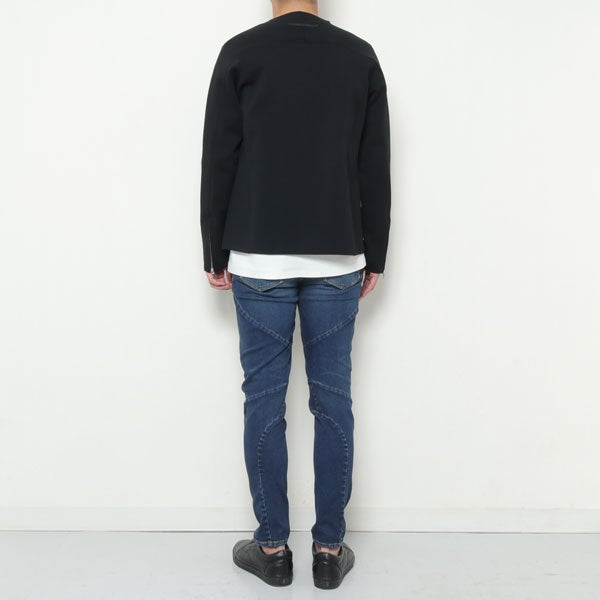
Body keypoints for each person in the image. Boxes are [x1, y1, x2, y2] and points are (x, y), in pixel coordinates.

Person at [199, 0, 391, 589]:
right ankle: (329, 552)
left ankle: (273, 549)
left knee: (264, 401)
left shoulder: (241, 53)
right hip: (338, 255)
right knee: (333, 403)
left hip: (258, 256)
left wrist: (213, 247)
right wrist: (376, 252)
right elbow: (374, 164)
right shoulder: (358, 56)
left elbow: (219, 157)